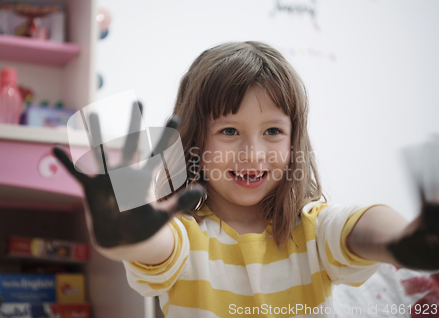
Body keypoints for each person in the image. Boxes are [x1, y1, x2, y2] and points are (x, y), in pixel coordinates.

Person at [53, 41, 439, 318]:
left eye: (272, 131)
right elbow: (154, 247)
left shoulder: (313, 230)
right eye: (230, 132)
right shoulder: (186, 238)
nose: (253, 153)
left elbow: (359, 227)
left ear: (294, 141)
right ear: (195, 142)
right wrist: (127, 228)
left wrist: (400, 241)